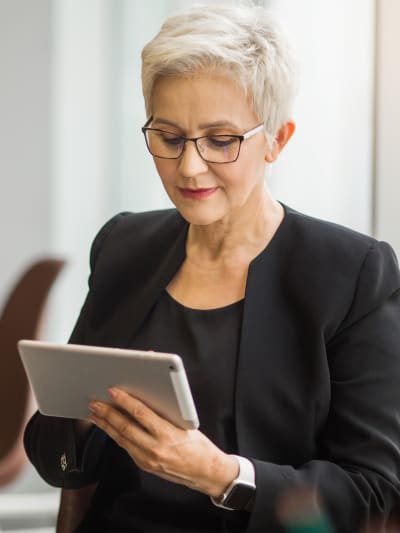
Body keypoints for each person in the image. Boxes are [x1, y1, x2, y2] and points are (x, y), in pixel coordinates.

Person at [24, 3, 400, 533]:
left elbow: (377, 494)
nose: (189, 167)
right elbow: (51, 451)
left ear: (278, 139)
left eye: (221, 141)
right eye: (169, 137)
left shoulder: (353, 274)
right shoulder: (124, 246)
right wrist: (90, 418)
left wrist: (223, 475)